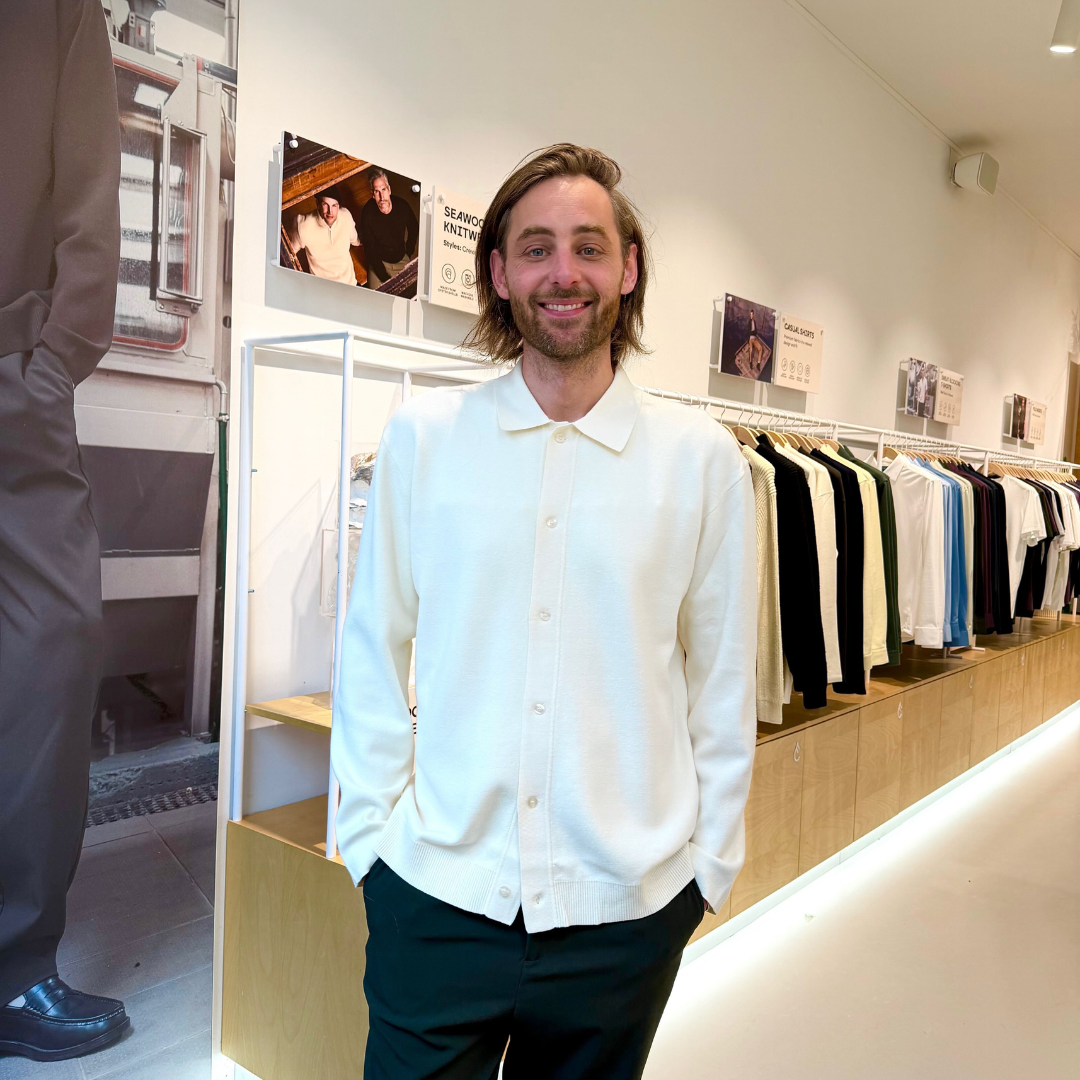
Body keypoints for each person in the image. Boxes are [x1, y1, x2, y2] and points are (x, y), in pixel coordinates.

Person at [330, 143, 757, 1079]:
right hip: (435, 897)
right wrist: (369, 848)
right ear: (498, 273)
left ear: (628, 269)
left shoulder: (702, 462)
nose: (564, 273)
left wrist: (705, 873)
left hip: (624, 916)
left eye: (589, 247)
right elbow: (373, 647)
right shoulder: (425, 441)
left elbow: (723, 683)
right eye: (536, 248)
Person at [0, 0, 130, 1062]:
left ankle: (13, 968)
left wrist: (50, 365)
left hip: (10, 380)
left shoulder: (55, 10)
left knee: (53, 647)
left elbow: (92, 187)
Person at [358, 167, 419, 289]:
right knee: (376, 295)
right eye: (377, 192)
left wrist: (408, 252)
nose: (382, 197)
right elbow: (370, 251)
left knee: (410, 291)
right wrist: (385, 278)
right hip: (379, 263)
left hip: (401, 259)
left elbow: (414, 227)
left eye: (383, 189)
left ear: (389, 189)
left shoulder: (402, 206)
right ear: (373, 195)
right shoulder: (367, 213)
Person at [292, 186, 361, 285]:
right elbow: (288, 255)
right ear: (317, 204)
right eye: (325, 204)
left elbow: (355, 240)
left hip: (350, 284)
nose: (330, 211)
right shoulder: (303, 226)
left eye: (334, 205)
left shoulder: (345, 216)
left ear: (338, 206)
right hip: (323, 289)